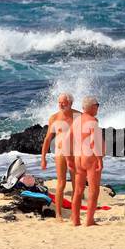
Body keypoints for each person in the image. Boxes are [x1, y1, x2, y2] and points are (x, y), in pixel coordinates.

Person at [39, 92, 79, 221]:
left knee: (76, 184)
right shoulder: (54, 118)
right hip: (61, 153)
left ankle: (74, 213)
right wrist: (43, 158)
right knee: (61, 183)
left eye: (64, 102)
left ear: (71, 103)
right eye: (60, 102)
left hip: (75, 153)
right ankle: (58, 214)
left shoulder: (78, 116)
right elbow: (47, 139)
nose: (61, 105)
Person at [70, 96, 103, 227]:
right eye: (97, 105)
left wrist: (68, 159)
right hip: (90, 158)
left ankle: (76, 220)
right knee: (93, 190)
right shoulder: (92, 121)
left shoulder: (77, 121)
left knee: (78, 190)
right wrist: (100, 160)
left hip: (78, 157)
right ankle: (89, 220)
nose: (98, 108)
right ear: (92, 106)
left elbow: (67, 138)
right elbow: (95, 143)